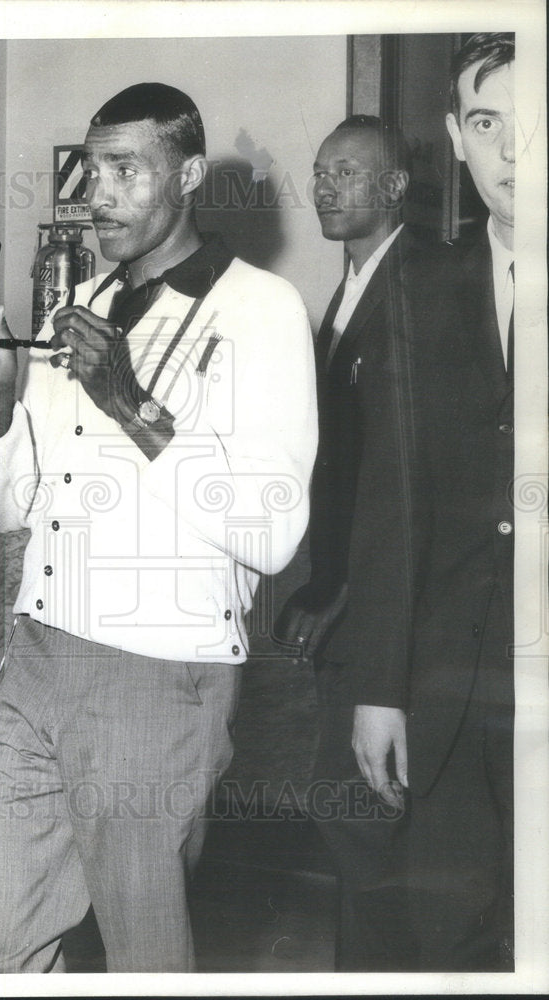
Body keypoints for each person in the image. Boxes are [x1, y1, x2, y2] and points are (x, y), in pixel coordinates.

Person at [0, 82, 317, 973]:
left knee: (143, 955)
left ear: (187, 176)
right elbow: (12, 507)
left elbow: (272, 532)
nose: (98, 195)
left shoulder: (261, 309)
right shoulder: (77, 303)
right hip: (36, 657)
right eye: (91, 170)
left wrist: (129, 403)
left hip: (156, 675)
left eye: (126, 170)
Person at [337, 33, 516, 969]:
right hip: (447, 693)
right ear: (454, 138)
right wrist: (379, 688)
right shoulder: (420, 288)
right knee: (449, 941)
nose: (513, 151)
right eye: (486, 124)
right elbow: (389, 507)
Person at [275, 115, 426, 969]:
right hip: (350, 598)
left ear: (394, 187)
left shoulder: (418, 288)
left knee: (363, 815)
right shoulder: (350, 290)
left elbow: (401, 484)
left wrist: (342, 589)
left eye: (346, 172)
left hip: (390, 613)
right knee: (353, 815)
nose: (324, 187)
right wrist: (321, 578)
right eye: (318, 171)